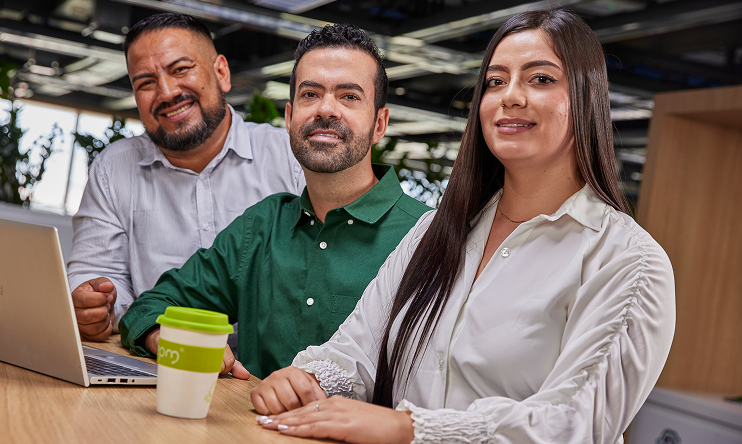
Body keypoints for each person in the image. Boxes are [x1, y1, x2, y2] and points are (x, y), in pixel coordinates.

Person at [251, 10, 677, 444]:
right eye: (494, 81)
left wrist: (409, 428)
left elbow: (573, 422)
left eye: (541, 79)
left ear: (587, 97)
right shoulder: (435, 230)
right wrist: (305, 381)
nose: (510, 96)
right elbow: (355, 351)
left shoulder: (627, 260)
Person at [118, 24, 432, 380]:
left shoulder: (426, 237)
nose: (326, 109)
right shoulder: (262, 227)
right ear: (288, 117)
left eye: (349, 97)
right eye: (310, 94)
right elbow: (151, 307)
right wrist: (170, 337)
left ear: (379, 123)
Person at [67, 13, 305, 345]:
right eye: (145, 82)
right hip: (160, 357)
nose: (166, 92)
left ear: (221, 72)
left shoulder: (291, 158)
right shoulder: (115, 168)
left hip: (268, 372)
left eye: (181, 69)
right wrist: (94, 304)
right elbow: (95, 273)